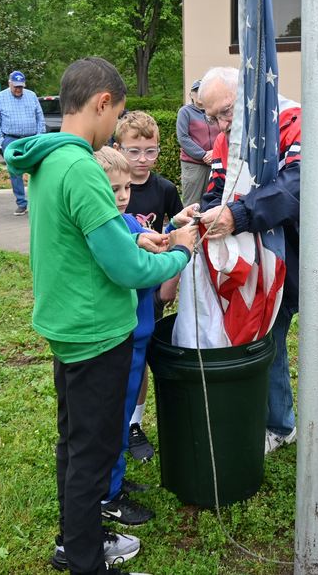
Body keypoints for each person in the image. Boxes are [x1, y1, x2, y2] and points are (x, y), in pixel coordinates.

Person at [4, 56, 196, 575]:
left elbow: (89, 237)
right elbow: (127, 268)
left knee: (74, 443)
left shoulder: (46, 158)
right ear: (102, 103)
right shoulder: (84, 168)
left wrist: (135, 234)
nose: (114, 129)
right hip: (97, 330)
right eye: (118, 116)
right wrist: (178, 250)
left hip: (65, 322)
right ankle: (88, 562)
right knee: (93, 452)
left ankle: (76, 538)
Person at [197, 66, 318, 489]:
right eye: (212, 116)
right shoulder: (224, 142)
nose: (221, 124)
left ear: (253, 95)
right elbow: (218, 188)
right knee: (267, 346)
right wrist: (202, 213)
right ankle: (279, 424)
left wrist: (237, 215)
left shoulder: (298, 121)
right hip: (266, 265)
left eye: (227, 112)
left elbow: (299, 184)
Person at [91, 146, 197, 530]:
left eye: (124, 190)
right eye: (112, 189)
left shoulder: (125, 222)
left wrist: (175, 227)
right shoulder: (108, 228)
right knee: (112, 418)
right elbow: (141, 268)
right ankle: (106, 495)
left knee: (120, 417)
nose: (120, 197)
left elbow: (152, 239)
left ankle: (114, 480)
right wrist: (182, 249)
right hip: (120, 339)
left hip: (136, 338)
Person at [112, 111, 184, 463]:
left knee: (141, 360)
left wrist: (169, 284)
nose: (142, 160)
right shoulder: (107, 190)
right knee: (120, 361)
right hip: (119, 289)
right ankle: (116, 423)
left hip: (150, 291)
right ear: (117, 149)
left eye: (150, 151)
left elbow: (176, 234)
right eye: (134, 151)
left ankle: (134, 424)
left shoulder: (165, 189)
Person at [0, 71, 45, 216]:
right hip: (11, 139)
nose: (18, 89)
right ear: (9, 83)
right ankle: (21, 203)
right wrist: (1, 141)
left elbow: (40, 117)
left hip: (31, 138)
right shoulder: (1, 97)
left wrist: (40, 137)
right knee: (15, 171)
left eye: (20, 87)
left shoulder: (31, 95)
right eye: (15, 86)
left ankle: (38, 201)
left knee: (38, 169)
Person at [176, 79, 221, 207]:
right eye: (197, 91)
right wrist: (203, 155)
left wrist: (215, 153)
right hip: (193, 164)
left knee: (212, 202)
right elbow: (183, 138)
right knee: (192, 204)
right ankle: (189, 227)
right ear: (191, 95)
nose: (200, 94)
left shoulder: (215, 111)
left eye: (203, 91)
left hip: (215, 163)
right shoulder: (185, 112)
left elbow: (223, 134)